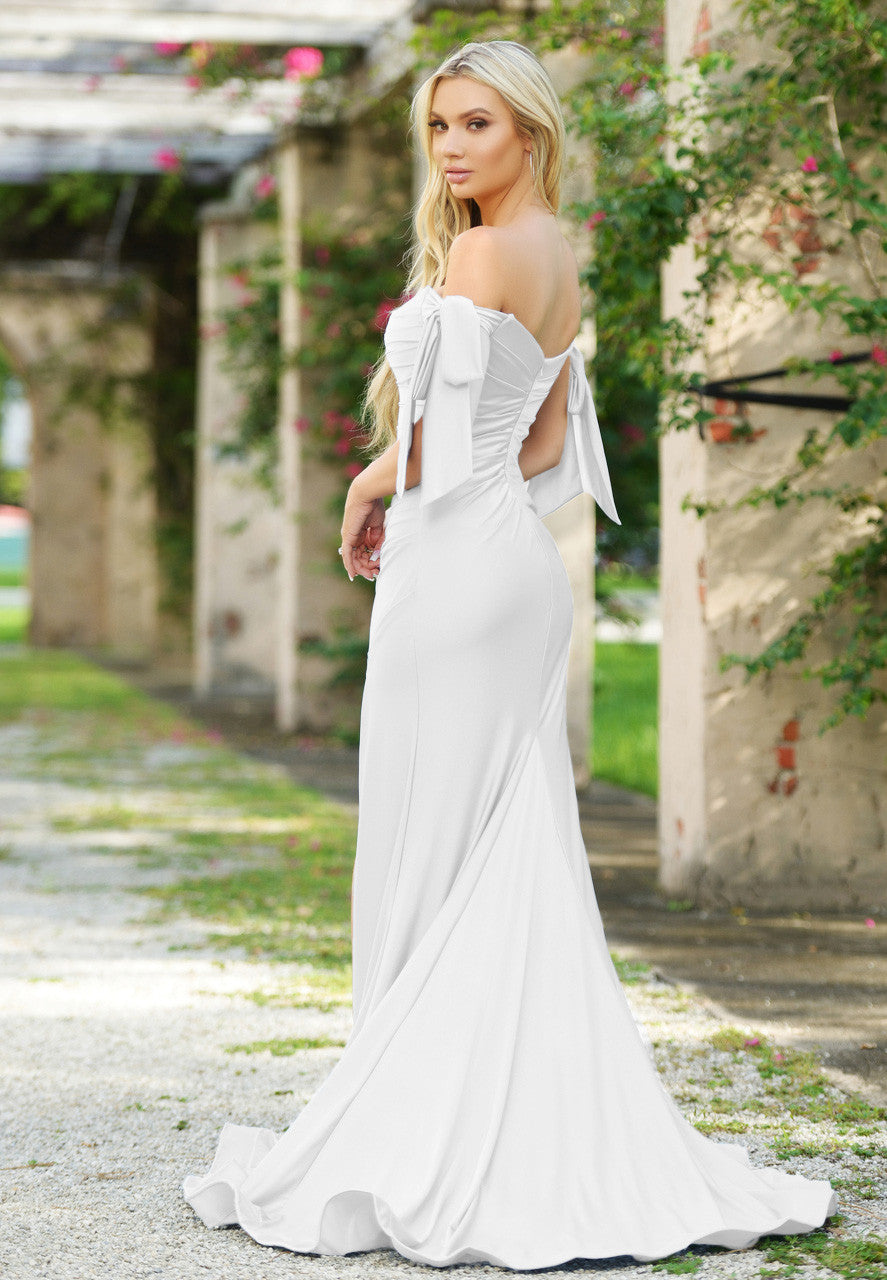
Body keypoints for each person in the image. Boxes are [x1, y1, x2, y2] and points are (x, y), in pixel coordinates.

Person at [182, 39, 836, 1269]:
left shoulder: (483, 251)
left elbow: (433, 442)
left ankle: (418, 1117)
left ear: (528, 131)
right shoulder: (557, 260)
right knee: (496, 841)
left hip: (452, 572)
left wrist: (365, 486)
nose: (450, 149)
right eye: (439, 129)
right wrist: (421, 480)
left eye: (474, 125)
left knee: (432, 836)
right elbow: (539, 449)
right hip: (509, 565)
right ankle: (484, 1105)